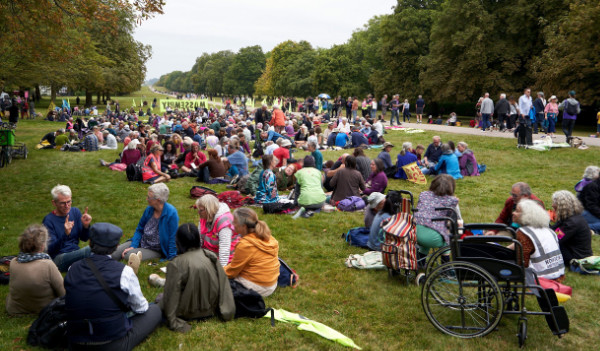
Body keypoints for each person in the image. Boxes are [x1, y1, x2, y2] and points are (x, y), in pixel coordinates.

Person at [64, 222, 162, 350]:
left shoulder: (72, 268)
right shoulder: (124, 272)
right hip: (111, 343)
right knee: (154, 310)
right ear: (116, 246)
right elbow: (141, 308)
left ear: (89, 243)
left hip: (75, 342)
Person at [153, 223, 235, 333]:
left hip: (187, 312)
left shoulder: (176, 264)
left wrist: (172, 320)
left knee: (157, 303)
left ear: (179, 242)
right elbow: (223, 284)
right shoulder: (210, 256)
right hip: (211, 309)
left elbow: (171, 295)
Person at [112, 184, 179, 268]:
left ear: (157, 200)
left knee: (128, 256)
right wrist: (133, 245)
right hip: (142, 241)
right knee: (114, 254)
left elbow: (173, 237)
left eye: (149, 197)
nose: (146, 199)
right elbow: (139, 229)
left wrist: (171, 257)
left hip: (155, 248)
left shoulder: (171, 213)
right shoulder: (149, 209)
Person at [6, 224, 65, 315]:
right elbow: (63, 292)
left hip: (15, 310)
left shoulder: (13, 262)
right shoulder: (48, 265)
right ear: (42, 246)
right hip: (44, 309)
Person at [224, 208, 280, 297]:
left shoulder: (245, 245)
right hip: (271, 284)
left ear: (244, 226)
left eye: (235, 222)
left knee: (219, 281)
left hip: (257, 287)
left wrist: (216, 270)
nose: (232, 224)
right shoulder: (268, 237)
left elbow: (231, 272)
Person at [43, 185, 92, 272]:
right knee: (91, 249)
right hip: (58, 258)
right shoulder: (48, 221)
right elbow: (51, 249)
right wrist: (65, 234)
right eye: (62, 203)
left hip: (75, 252)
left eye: (69, 201)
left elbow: (84, 238)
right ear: (54, 203)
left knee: (97, 247)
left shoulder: (75, 212)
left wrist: (86, 226)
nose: (67, 206)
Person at [512, 199, 565, 281]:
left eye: (517, 211)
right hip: (559, 273)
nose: (513, 213)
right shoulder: (549, 230)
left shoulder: (523, 233)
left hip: (540, 278)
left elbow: (522, 263)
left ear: (526, 215)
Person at [415, 175, 461, 255]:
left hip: (414, 233)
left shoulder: (424, 195)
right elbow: (458, 219)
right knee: (447, 238)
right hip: (432, 237)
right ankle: (445, 264)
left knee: (428, 229)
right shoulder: (452, 201)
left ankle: (421, 261)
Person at [196, 195, 240, 266]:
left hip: (227, 261)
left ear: (209, 210)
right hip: (210, 256)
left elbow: (224, 250)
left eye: (201, 210)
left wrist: (222, 272)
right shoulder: (204, 217)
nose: (198, 212)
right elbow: (199, 240)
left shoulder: (224, 222)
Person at [550, 190, 593, 264]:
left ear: (561, 206)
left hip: (576, 257)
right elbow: (555, 231)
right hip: (576, 252)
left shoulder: (571, 223)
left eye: (554, 202)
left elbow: (555, 239)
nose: (552, 205)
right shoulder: (571, 217)